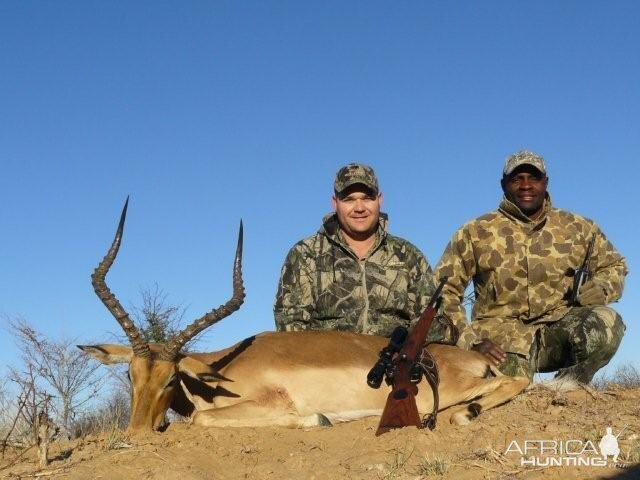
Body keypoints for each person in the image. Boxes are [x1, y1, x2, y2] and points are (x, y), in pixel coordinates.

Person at [435, 150, 627, 385]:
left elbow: (614, 265)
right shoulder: (475, 231)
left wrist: (604, 287)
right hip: (499, 341)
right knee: (506, 392)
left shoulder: (579, 227)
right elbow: (444, 289)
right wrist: (469, 340)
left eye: (534, 178)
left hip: (558, 327)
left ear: (546, 182)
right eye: (517, 179)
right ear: (503, 184)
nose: (526, 186)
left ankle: (568, 388)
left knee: (607, 323)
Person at [274, 163, 436, 336]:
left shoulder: (409, 256)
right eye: (349, 199)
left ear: (379, 199)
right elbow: (290, 328)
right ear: (335, 203)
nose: (359, 208)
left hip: (396, 359)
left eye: (367, 198)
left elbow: (432, 327)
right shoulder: (305, 254)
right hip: (325, 359)